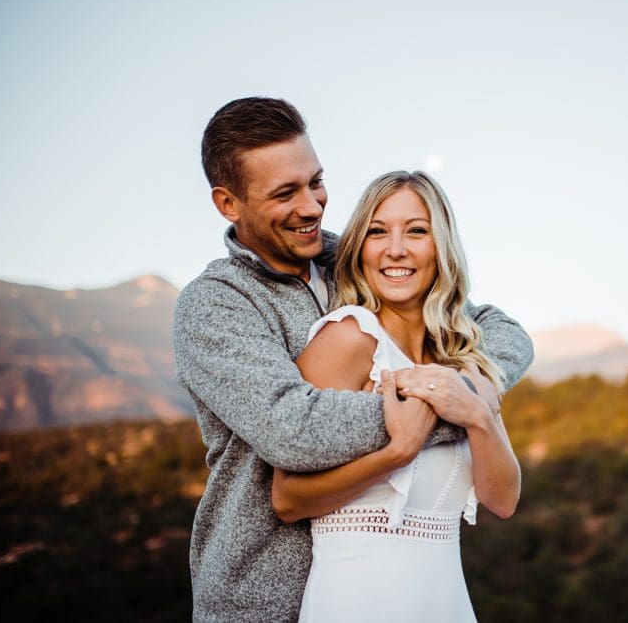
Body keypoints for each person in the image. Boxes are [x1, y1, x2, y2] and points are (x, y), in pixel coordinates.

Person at [173, 97, 533, 622]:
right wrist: (432, 405)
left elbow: (501, 333)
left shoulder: (356, 257)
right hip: (261, 602)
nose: (313, 207)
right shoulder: (217, 305)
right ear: (229, 204)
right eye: (285, 193)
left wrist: (465, 394)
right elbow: (292, 430)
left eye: (315, 182)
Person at [270, 171, 520, 622]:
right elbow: (287, 500)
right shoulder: (347, 338)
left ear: (442, 247)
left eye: (417, 231)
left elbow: (503, 500)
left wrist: (478, 415)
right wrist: (397, 452)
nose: (396, 249)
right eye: (377, 231)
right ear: (360, 249)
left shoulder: (462, 357)